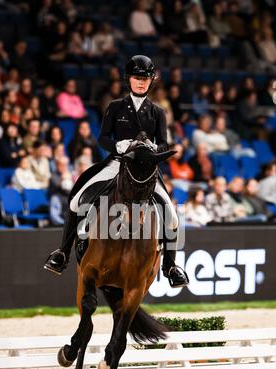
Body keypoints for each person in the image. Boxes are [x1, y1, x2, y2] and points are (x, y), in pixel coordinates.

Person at [44, 55, 189, 287]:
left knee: (171, 214)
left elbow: (164, 143)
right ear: (128, 79)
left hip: (146, 169)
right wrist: (117, 146)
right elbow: (102, 138)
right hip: (118, 163)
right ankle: (62, 253)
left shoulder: (157, 112)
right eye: (137, 78)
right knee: (76, 200)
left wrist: (153, 148)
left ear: (152, 81)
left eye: (146, 78)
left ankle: (170, 266)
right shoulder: (115, 107)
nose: (141, 82)